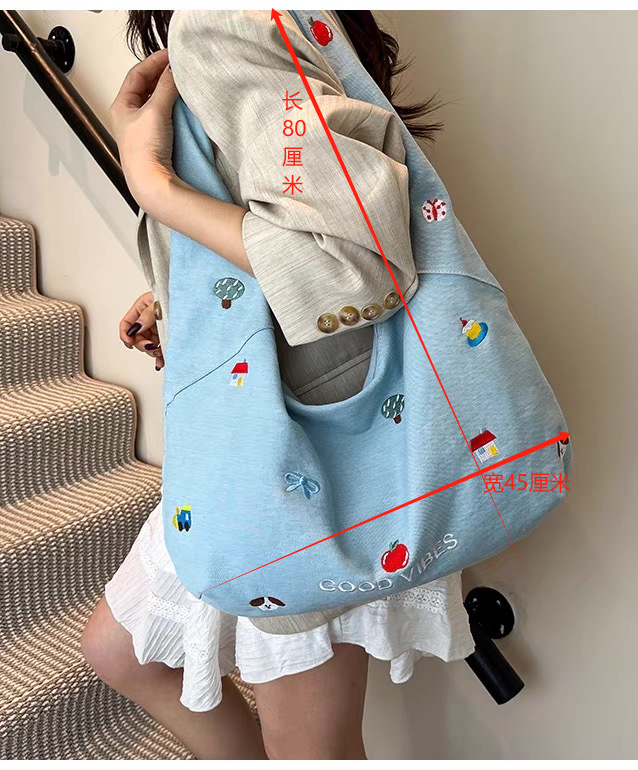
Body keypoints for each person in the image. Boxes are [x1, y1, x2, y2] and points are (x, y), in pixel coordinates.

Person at [81, 10, 475, 760]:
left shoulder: (223, 20)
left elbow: (346, 265)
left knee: (311, 750)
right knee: (120, 650)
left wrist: (151, 181)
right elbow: (280, 211)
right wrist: (186, 301)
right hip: (266, 444)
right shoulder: (250, 22)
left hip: (303, 460)